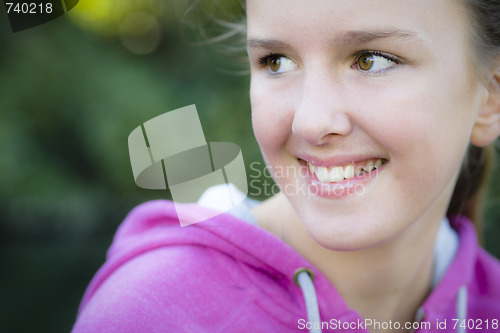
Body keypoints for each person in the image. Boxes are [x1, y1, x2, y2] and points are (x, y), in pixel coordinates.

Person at [72, 0, 500, 332]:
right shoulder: (150, 315)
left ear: (491, 96)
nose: (310, 121)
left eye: (371, 59)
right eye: (276, 61)